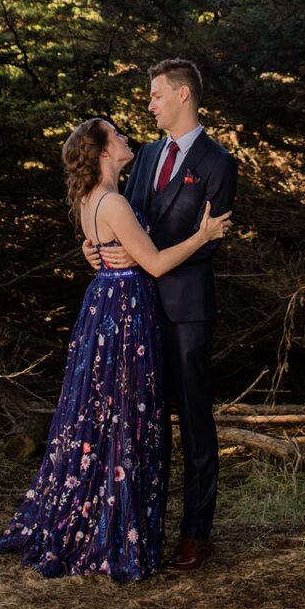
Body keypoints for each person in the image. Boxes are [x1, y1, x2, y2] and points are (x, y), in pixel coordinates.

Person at [0, 116, 230, 583]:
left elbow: (104, 240)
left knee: (101, 418)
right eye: (116, 135)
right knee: (122, 420)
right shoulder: (116, 202)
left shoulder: (91, 199)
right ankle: (111, 531)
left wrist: (96, 248)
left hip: (105, 309)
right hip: (125, 316)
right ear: (104, 151)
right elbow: (158, 262)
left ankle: (103, 521)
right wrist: (203, 236)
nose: (127, 137)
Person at [85, 58, 238, 571]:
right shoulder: (147, 156)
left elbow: (209, 245)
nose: (148, 105)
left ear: (182, 96)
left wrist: (149, 257)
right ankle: (144, 525)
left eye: (155, 95)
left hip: (187, 311)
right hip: (138, 310)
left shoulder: (219, 163)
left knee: (194, 422)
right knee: (144, 424)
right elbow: (122, 218)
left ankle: (196, 534)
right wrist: (100, 251)